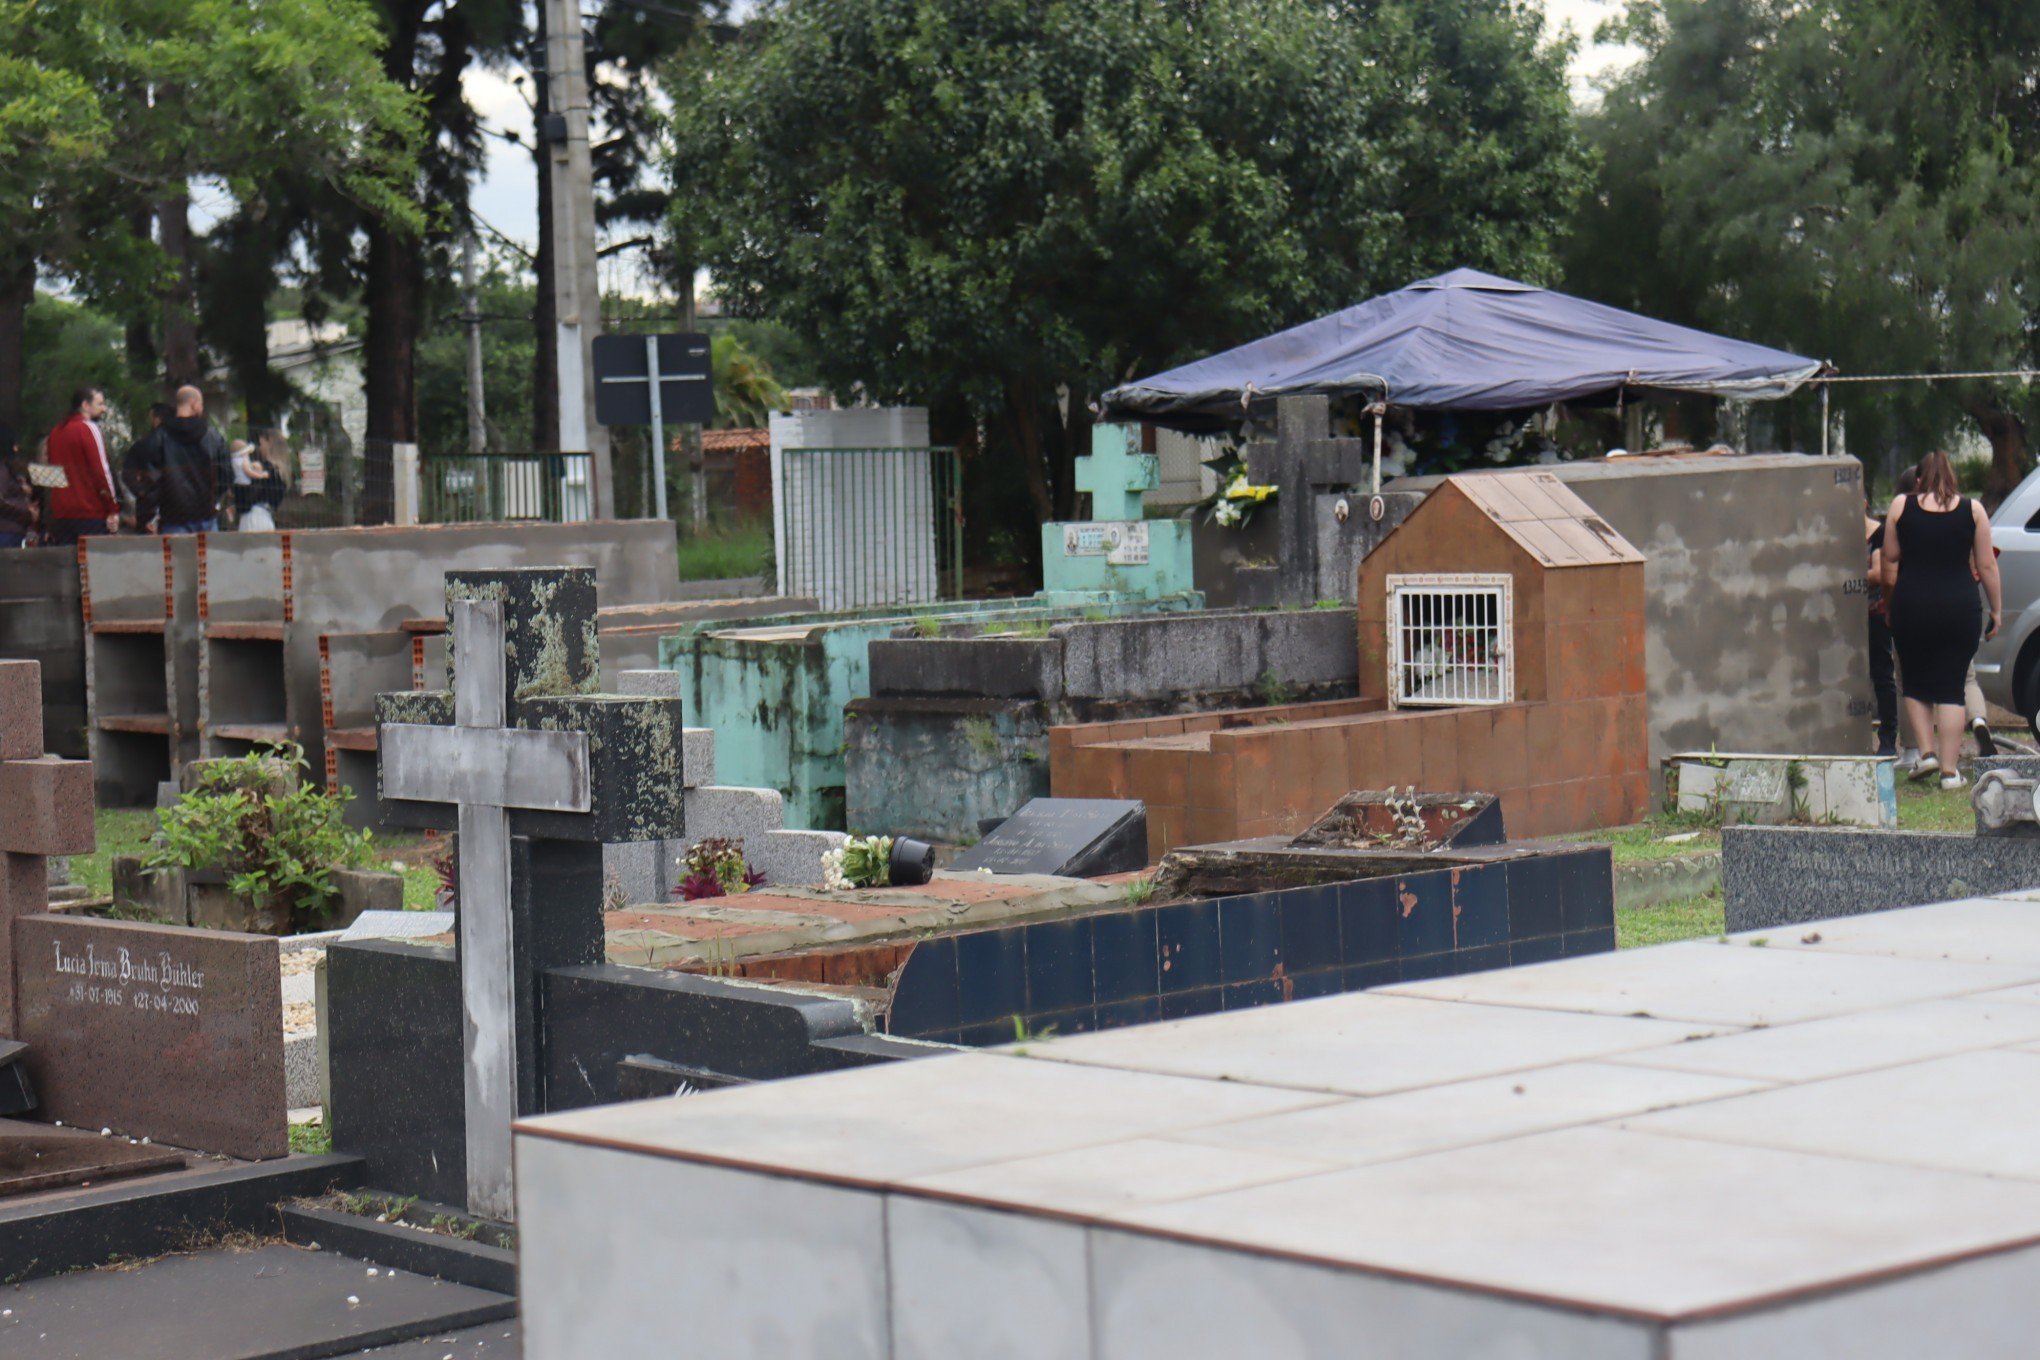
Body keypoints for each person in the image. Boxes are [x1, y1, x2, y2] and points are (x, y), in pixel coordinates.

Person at [1883, 449, 2003, 790]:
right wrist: (1996, 609)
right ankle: (1950, 772)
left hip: (1913, 604)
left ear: (1919, 479)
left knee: (1915, 681)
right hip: (1958, 605)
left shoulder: (1900, 507)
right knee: (1953, 688)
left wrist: (1891, 607)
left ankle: (1927, 753)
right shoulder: (1973, 510)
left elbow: (1890, 564)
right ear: (1953, 477)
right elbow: (1987, 566)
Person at [128, 385, 232, 534]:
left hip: (173, 517)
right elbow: (227, 473)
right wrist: (212, 497)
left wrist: (155, 508)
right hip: (206, 515)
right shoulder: (212, 436)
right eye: (201, 404)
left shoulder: (159, 437)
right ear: (195, 403)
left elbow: (150, 480)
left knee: (176, 557)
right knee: (208, 556)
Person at [42, 385, 119, 544]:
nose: (103, 409)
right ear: (85, 405)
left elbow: (50, 474)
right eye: (100, 404)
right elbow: (101, 471)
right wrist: (112, 508)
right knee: (92, 564)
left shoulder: (55, 432)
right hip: (90, 511)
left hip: (62, 513)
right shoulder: (88, 428)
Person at [1866, 495, 1898, 756]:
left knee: (1882, 675)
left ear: (1865, 502)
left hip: (1874, 613)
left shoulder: (1877, 534)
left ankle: (1888, 738)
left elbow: (1878, 574)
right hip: (1843, 617)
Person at [119, 401, 175, 533]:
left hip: (148, 506)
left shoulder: (143, 445)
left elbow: (127, 474)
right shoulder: (180, 444)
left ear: (156, 418)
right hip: (177, 505)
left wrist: (142, 492)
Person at [233, 430, 288, 532]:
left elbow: (246, 499)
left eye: (262, 443)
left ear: (269, 443)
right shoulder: (280, 472)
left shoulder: (260, 468)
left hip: (252, 517)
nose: (260, 448)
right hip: (267, 517)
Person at [0, 424, 34, 548]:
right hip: (6, 532)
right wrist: (26, 512)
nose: (16, 449)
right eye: (14, 444)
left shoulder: (9, 470)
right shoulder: (2, 470)